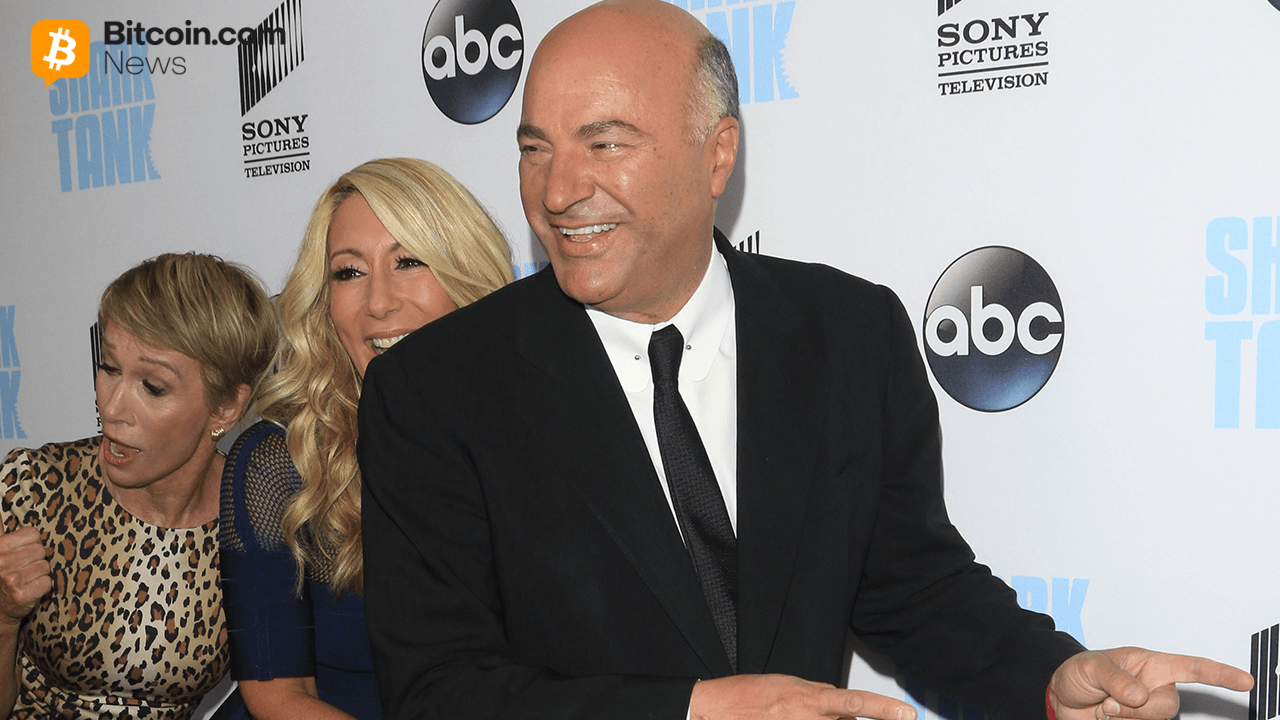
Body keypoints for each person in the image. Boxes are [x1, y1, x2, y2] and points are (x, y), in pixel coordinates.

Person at [357, 3, 1254, 720]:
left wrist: (1050, 679)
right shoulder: (435, 391)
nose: (557, 191)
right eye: (535, 149)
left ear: (717, 154)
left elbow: (912, 588)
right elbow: (438, 690)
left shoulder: (849, 333)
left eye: (606, 143)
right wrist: (693, 711)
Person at [217, 158, 513, 720]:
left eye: (409, 262)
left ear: (467, 275)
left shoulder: (538, 441)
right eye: (349, 272)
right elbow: (276, 695)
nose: (379, 302)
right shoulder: (281, 463)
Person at [0, 253, 276, 719]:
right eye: (109, 367)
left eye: (152, 386)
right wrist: (3, 619)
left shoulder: (251, 520)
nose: (110, 407)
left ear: (226, 407)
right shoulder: (35, 485)